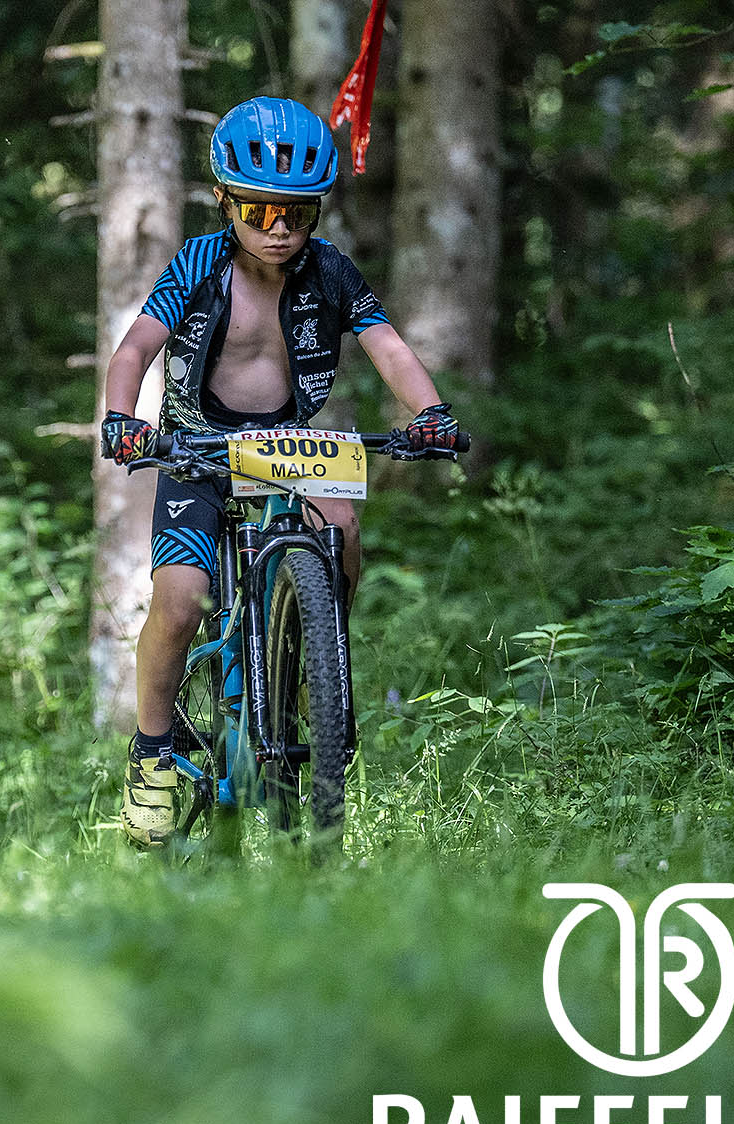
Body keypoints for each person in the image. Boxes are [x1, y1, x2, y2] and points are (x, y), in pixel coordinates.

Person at [99, 96, 460, 849]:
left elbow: (387, 344)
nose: (278, 229)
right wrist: (123, 418)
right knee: (180, 601)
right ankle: (152, 755)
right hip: (198, 447)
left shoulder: (329, 270)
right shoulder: (199, 263)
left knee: (343, 524)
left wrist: (430, 411)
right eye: (260, 211)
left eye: (297, 214)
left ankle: (318, 663)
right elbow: (135, 348)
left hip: (289, 443)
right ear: (225, 201)